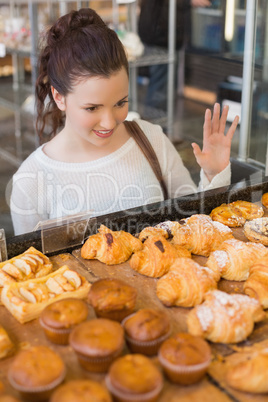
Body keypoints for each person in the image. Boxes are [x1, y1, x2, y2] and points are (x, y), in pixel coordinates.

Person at [10, 8, 239, 236]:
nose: (109, 123)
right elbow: (33, 266)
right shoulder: (31, 182)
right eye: (92, 108)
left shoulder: (151, 140)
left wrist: (213, 176)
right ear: (59, 97)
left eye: (120, 103)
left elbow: (193, 225)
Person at [138, 0, 211, 109]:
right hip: (161, 38)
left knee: (163, 90)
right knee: (160, 91)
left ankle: (157, 123)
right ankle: (155, 124)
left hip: (162, 37)